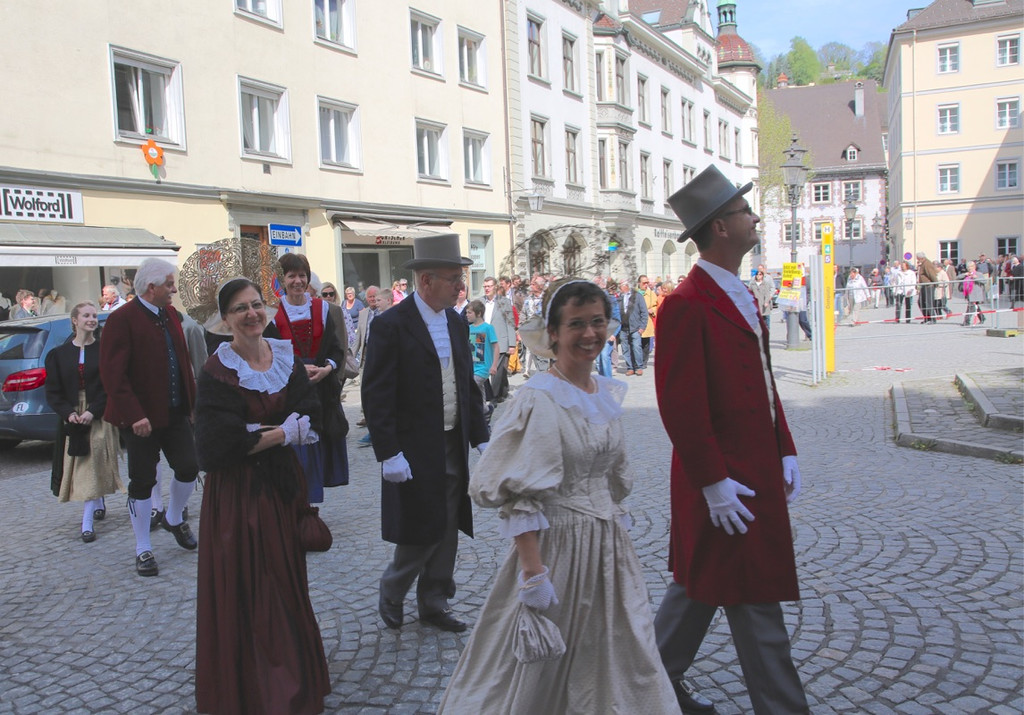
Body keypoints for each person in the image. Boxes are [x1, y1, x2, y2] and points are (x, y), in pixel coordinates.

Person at [438, 279, 678, 713]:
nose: (590, 333)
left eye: (598, 322)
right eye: (576, 324)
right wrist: (533, 575)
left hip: (607, 550)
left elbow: (609, 478)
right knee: (542, 670)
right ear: (553, 333)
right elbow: (518, 494)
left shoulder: (603, 393)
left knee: (622, 657)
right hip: (556, 551)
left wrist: (614, 531)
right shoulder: (539, 399)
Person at [656, 165, 809, 714]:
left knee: (700, 588)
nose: (755, 218)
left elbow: (763, 382)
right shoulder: (686, 303)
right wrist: (713, 482)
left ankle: (647, 689)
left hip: (752, 473)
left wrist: (784, 447)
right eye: (745, 211)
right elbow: (680, 405)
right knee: (752, 595)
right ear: (720, 227)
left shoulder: (740, 292)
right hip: (723, 483)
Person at [194, 278, 330, 715]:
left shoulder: (285, 357)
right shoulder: (217, 371)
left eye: (256, 305)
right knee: (251, 584)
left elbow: (312, 413)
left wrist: (265, 433)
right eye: (240, 308)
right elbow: (216, 448)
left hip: (281, 487)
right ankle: (255, 688)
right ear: (225, 319)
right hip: (238, 496)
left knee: (284, 581)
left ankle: (292, 675)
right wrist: (283, 433)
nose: (251, 314)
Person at [362, 233, 489, 634]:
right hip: (413, 446)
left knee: (448, 524)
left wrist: (481, 436)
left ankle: (435, 599)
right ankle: (393, 587)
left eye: (461, 278)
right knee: (422, 525)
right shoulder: (391, 325)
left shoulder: (455, 321)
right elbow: (376, 393)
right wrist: (389, 452)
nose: (460, 287)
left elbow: (465, 384)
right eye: (453, 279)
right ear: (426, 280)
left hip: (451, 440)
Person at [100, 258, 199, 577]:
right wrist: (134, 415)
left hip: (175, 411)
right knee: (143, 480)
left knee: (189, 467)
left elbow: (182, 361)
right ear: (151, 287)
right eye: (169, 284)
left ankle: (173, 518)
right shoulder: (122, 320)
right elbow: (113, 375)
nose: (174, 290)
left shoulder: (169, 314)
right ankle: (143, 547)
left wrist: (192, 403)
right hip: (139, 419)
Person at [264, 253, 349, 503]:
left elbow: (336, 349)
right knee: (297, 448)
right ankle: (297, 504)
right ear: (283, 280)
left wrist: (327, 369)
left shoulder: (322, 309)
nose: (298, 281)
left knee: (318, 445)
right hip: (289, 389)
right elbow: (269, 352)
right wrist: (297, 370)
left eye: (302, 275)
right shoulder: (272, 313)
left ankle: (311, 505)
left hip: (321, 389)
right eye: (292, 276)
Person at [44, 301, 124, 542]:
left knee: (93, 461)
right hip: (73, 415)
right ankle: (97, 500)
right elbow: (53, 392)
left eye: (93, 316)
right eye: (86, 316)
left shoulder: (103, 351)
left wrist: (93, 411)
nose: (91, 319)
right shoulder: (59, 355)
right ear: (75, 321)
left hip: (98, 414)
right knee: (82, 462)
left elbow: (110, 387)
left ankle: (87, 522)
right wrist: (68, 413)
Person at [479, 276, 516, 402]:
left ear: (495, 287)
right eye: (485, 286)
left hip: (500, 340)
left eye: (489, 286)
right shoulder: (479, 302)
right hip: (482, 340)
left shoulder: (504, 302)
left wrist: (512, 344)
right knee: (485, 369)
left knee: (496, 371)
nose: (486, 289)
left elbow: (510, 323)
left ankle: (493, 397)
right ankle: (502, 391)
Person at [466, 299, 498, 416]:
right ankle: (485, 410)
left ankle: (476, 412)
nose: (467, 315)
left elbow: (496, 347)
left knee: (473, 385)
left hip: (484, 367)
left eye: (470, 312)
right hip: (472, 367)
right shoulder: (469, 328)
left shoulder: (488, 328)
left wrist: (494, 365)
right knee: (479, 390)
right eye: (466, 312)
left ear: (478, 313)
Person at [617, 279, 648, 376]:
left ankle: (639, 367)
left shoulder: (637, 296)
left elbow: (644, 312)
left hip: (635, 327)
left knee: (636, 347)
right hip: (623, 327)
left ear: (626, 286)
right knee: (625, 349)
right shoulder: (620, 297)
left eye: (620, 286)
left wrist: (642, 327)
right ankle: (630, 367)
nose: (619, 288)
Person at [917, 252, 941, 324]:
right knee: (921, 302)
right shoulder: (923, 263)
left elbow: (931, 274)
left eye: (918, 258)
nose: (917, 260)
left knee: (928, 302)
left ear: (921, 258)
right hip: (924, 285)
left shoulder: (927, 264)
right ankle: (926, 318)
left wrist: (936, 283)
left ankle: (932, 318)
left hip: (929, 286)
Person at [638, 275, 657, 368]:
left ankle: (644, 361)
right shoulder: (635, 293)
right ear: (639, 283)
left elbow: (656, 306)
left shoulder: (651, 294)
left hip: (647, 322)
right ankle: (637, 361)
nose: (646, 285)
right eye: (644, 283)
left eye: (647, 283)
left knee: (645, 343)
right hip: (636, 322)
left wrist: (652, 310)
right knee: (636, 343)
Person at [749, 269, 774, 336]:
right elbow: (750, 292)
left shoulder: (765, 284)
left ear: (762, 276)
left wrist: (766, 302)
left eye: (760, 274)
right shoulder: (752, 284)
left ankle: (766, 331)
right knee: (757, 319)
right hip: (756, 304)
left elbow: (767, 294)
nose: (758, 276)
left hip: (763, 303)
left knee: (765, 318)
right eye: (757, 274)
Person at [962, 261, 985, 326]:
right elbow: (957, 278)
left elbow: (984, 281)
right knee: (976, 307)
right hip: (968, 293)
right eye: (968, 267)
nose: (970, 268)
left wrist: (976, 278)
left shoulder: (979, 274)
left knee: (970, 307)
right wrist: (964, 275)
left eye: (971, 266)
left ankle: (966, 321)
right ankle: (982, 318)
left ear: (974, 267)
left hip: (976, 294)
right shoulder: (967, 274)